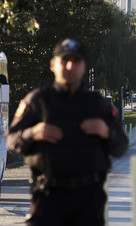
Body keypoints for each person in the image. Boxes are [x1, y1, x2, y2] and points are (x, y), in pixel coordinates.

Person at [6, 38, 129, 226]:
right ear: (53, 64)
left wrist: (106, 131)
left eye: (76, 61)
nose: (70, 66)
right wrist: (32, 133)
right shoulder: (37, 101)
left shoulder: (98, 105)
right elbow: (11, 140)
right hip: (48, 198)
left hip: (88, 200)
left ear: (83, 66)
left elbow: (121, 146)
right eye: (65, 60)